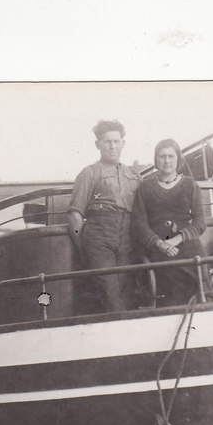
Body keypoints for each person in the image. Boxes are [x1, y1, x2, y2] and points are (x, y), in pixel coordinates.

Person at [68, 120, 141, 313]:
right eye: (107, 141)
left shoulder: (134, 176)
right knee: (110, 291)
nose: (112, 146)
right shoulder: (89, 173)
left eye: (116, 141)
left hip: (129, 239)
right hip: (99, 237)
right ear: (98, 144)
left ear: (123, 143)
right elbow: (75, 214)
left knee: (128, 290)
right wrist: (82, 248)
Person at [132, 138, 207, 306]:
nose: (166, 161)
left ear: (178, 159)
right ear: (156, 160)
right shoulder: (145, 187)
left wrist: (175, 240)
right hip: (158, 247)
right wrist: (160, 244)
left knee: (201, 278)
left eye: (171, 156)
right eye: (162, 156)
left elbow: (200, 222)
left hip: (187, 244)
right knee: (170, 287)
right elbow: (139, 224)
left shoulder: (190, 185)